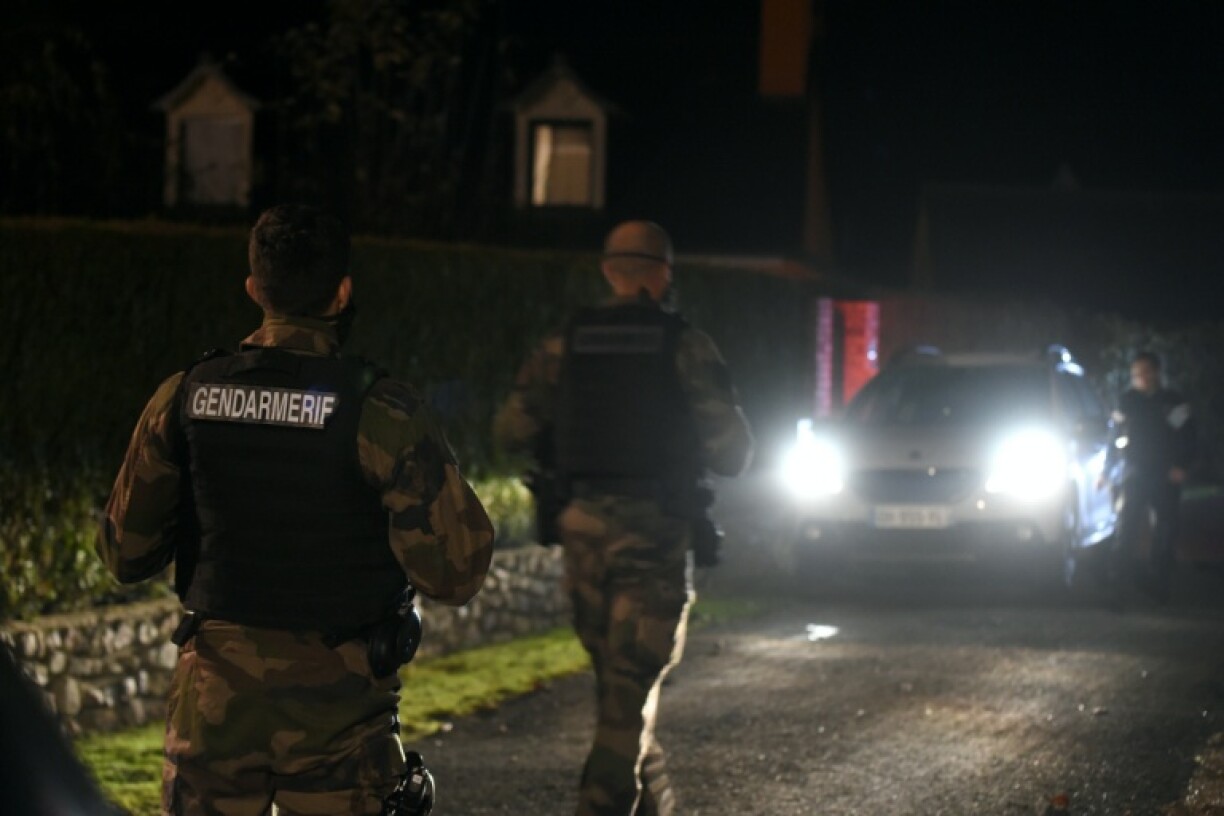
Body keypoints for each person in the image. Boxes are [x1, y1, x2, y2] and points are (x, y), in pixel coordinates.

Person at [96, 203, 494, 816]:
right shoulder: (381, 412)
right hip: (338, 718)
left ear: (255, 289)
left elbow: (125, 554)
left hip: (214, 713)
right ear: (343, 292)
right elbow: (456, 570)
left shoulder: (184, 396)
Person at [494, 220, 754, 816]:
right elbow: (733, 454)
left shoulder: (564, 345)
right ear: (664, 274)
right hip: (653, 541)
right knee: (625, 698)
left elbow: (509, 431)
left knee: (621, 690)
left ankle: (655, 803)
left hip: (583, 543)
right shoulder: (685, 345)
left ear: (609, 271)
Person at [1098, 350, 1196, 606]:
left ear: (1155, 373)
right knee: (1126, 528)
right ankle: (1117, 586)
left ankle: (1159, 583)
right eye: (1135, 373)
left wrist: (1181, 465)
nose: (1139, 377)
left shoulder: (1171, 401)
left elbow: (1188, 436)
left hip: (1166, 474)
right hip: (1134, 472)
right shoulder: (1127, 401)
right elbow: (1114, 438)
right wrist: (1106, 471)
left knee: (1165, 530)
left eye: (1144, 372)